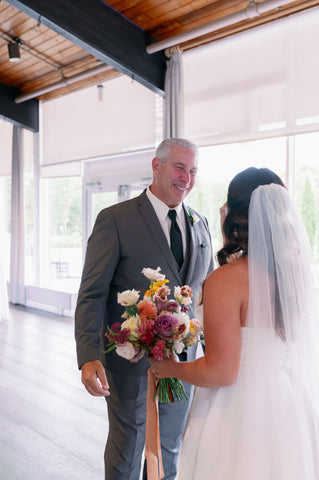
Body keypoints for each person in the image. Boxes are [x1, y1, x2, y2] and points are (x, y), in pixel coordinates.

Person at [150, 167, 319, 479]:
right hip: (287, 405)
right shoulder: (293, 276)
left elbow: (222, 371)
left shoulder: (227, 280)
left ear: (232, 214)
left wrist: (169, 368)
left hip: (238, 412)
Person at [74, 138, 214, 480]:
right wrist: (89, 355)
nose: (187, 178)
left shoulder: (200, 223)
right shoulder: (115, 219)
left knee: (169, 448)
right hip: (130, 364)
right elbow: (92, 293)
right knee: (128, 450)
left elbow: (204, 292)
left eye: (193, 171)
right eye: (179, 167)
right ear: (157, 166)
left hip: (185, 362)